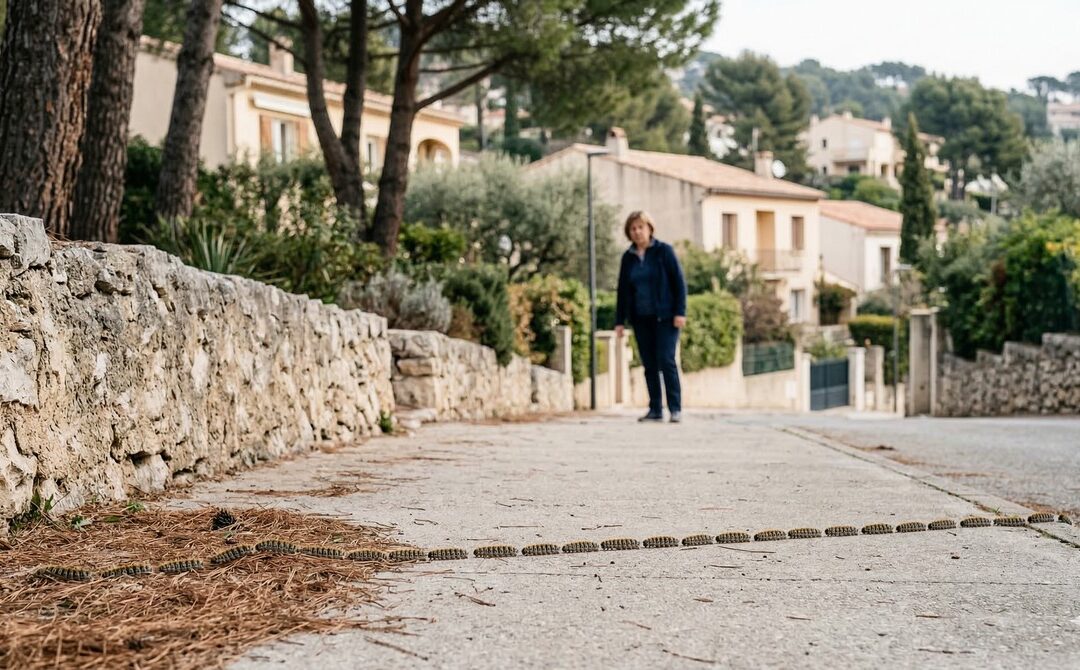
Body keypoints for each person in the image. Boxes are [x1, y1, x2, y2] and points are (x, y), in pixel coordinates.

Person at [614, 211, 688, 423]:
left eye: (640, 227)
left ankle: (675, 408)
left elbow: (679, 284)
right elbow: (622, 290)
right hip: (641, 317)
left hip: (666, 317)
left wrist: (680, 312)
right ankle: (655, 408)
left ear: (649, 229)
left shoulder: (664, 251)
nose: (637, 232)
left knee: (666, 360)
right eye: (633, 228)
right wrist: (619, 321)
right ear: (629, 232)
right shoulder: (628, 258)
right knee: (649, 364)